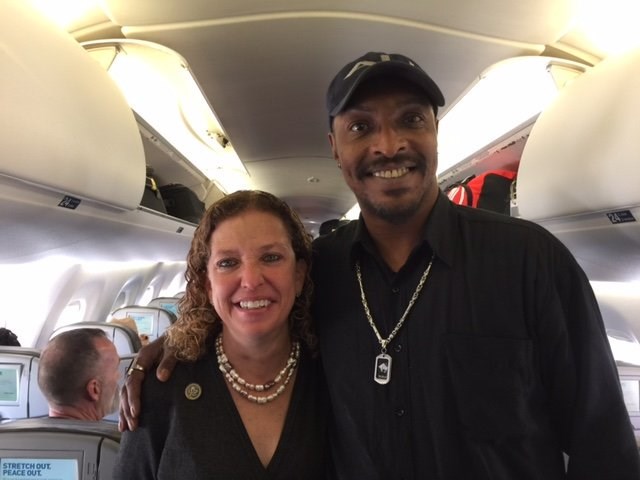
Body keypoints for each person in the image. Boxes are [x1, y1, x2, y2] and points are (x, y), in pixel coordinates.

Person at [121, 52, 640, 479]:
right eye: (361, 126)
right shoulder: (321, 271)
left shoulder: (532, 262)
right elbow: (250, 313)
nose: (388, 145)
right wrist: (164, 349)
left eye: (411, 119)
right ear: (335, 147)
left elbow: (604, 447)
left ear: (436, 131)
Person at [114, 190, 329, 479]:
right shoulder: (159, 388)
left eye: (271, 257)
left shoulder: (333, 376)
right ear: (208, 285)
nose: (251, 281)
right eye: (228, 262)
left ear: (299, 275)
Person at [38, 328, 121, 420]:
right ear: (94, 389)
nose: (119, 376)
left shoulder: (23, 432)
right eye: (116, 369)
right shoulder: (113, 434)